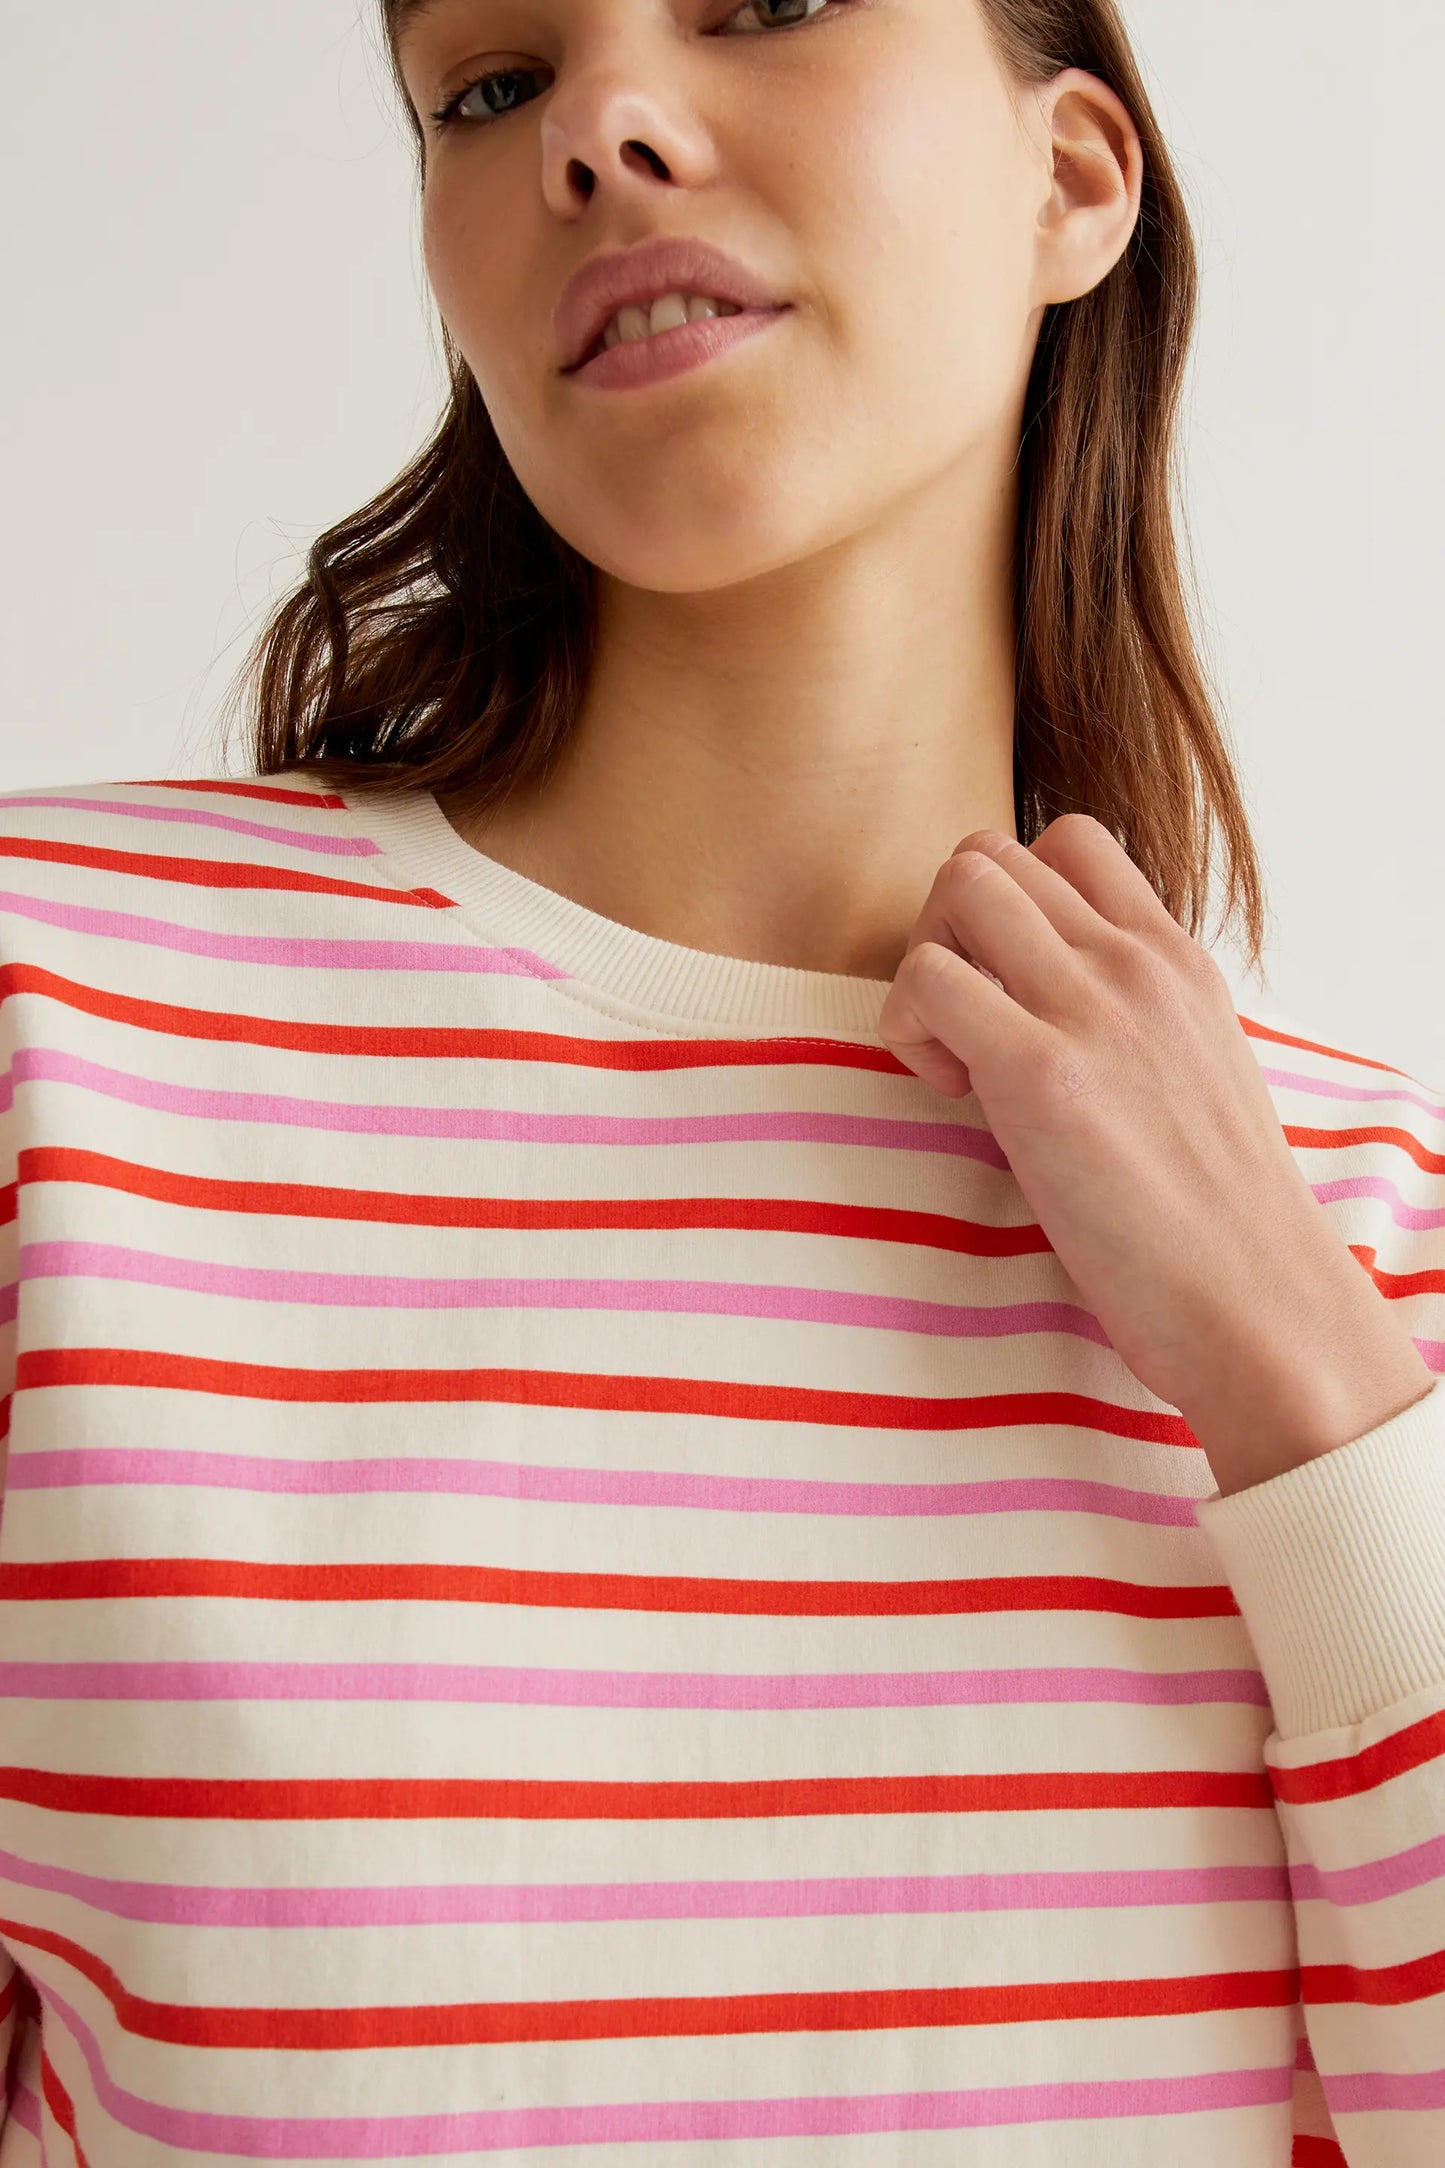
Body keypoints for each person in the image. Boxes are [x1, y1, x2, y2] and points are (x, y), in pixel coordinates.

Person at [2, 0, 1443, 2160]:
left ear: (1071, 178)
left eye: (763, 0)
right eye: (491, 89)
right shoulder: (61, 1038)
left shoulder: (1375, 1234)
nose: (599, 128)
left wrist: (1302, 1388)